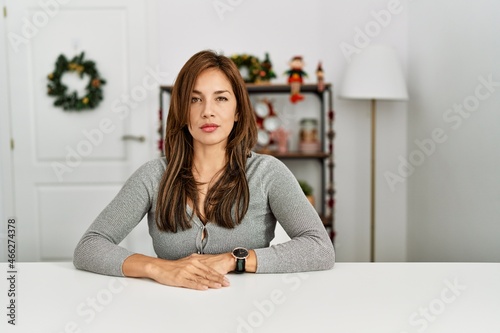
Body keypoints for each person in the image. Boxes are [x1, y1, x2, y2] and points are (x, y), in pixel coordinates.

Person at [73, 50, 335, 291]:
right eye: (195, 99)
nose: (207, 111)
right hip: (171, 312)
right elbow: (89, 247)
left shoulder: (268, 173)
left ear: (237, 111)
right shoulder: (153, 176)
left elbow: (319, 248)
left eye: (220, 98)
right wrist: (158, 268)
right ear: (182, 111)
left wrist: (234, 260)